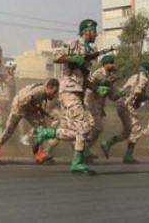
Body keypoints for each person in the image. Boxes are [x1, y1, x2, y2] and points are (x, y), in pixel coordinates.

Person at [33, 19, 101, 174]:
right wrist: (73, 58)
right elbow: (57, 57)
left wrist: (97, 88)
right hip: (68, 92)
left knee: (88, 124)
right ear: (86, 31)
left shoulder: (90, 51)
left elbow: (84, 77)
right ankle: (77, 162)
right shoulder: (74, 44)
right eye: (94, 30)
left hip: (78, 93)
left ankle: (45, 133)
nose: (96, 33)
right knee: (82, 126)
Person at [0, 79, 59, 163]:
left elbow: (39, 107)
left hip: (29, 108)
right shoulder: (38, 91)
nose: (55, 95)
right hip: (19, 106)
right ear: (49, 88)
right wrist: (36, 109)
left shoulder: (43, 93)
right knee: (9, 130)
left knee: (41, 127)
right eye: (54, 92)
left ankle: (39, 153)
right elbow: (23, 101)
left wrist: (47, 114)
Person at [102, 61, 149, 163]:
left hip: (121, 103)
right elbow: (137, 92)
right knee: (137, 130)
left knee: (127, 131)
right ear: (147, 71)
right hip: (127, 105)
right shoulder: (144, 78)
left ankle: (108, 143)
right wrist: (141, 98)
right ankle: (127, 156)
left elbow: (127, 89)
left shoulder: (134, 76)